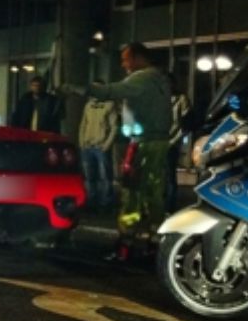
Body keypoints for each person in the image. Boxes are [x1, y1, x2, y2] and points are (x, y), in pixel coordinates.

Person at [61, 42, 171, 260]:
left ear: (139, 58)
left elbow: (110, 91)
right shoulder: (161, 79)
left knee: (131, 192)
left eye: (126, 58)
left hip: (142, 144)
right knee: (154, 193)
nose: (123, 64)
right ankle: (154, 242)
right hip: (158, 143)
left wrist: (75, 88)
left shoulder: (141, 78)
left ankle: (125, 245)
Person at [77, 80, 118, 213]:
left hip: (101, 146)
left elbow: (114, 127)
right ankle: (91, 202)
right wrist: (82, 142)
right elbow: (83, 124)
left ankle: (106, 203)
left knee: (105, 176)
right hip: (88, 146)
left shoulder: (109, 105)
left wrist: (106, 145)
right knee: (89, 177)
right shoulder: (88, 105)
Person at [166, 73, 191, 214]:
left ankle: (169, 206)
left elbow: (185, 122)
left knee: (170, 176)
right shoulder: (158, 98)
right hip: (157, 141)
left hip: (172, 141)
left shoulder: (181, 99)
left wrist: (176, 140)